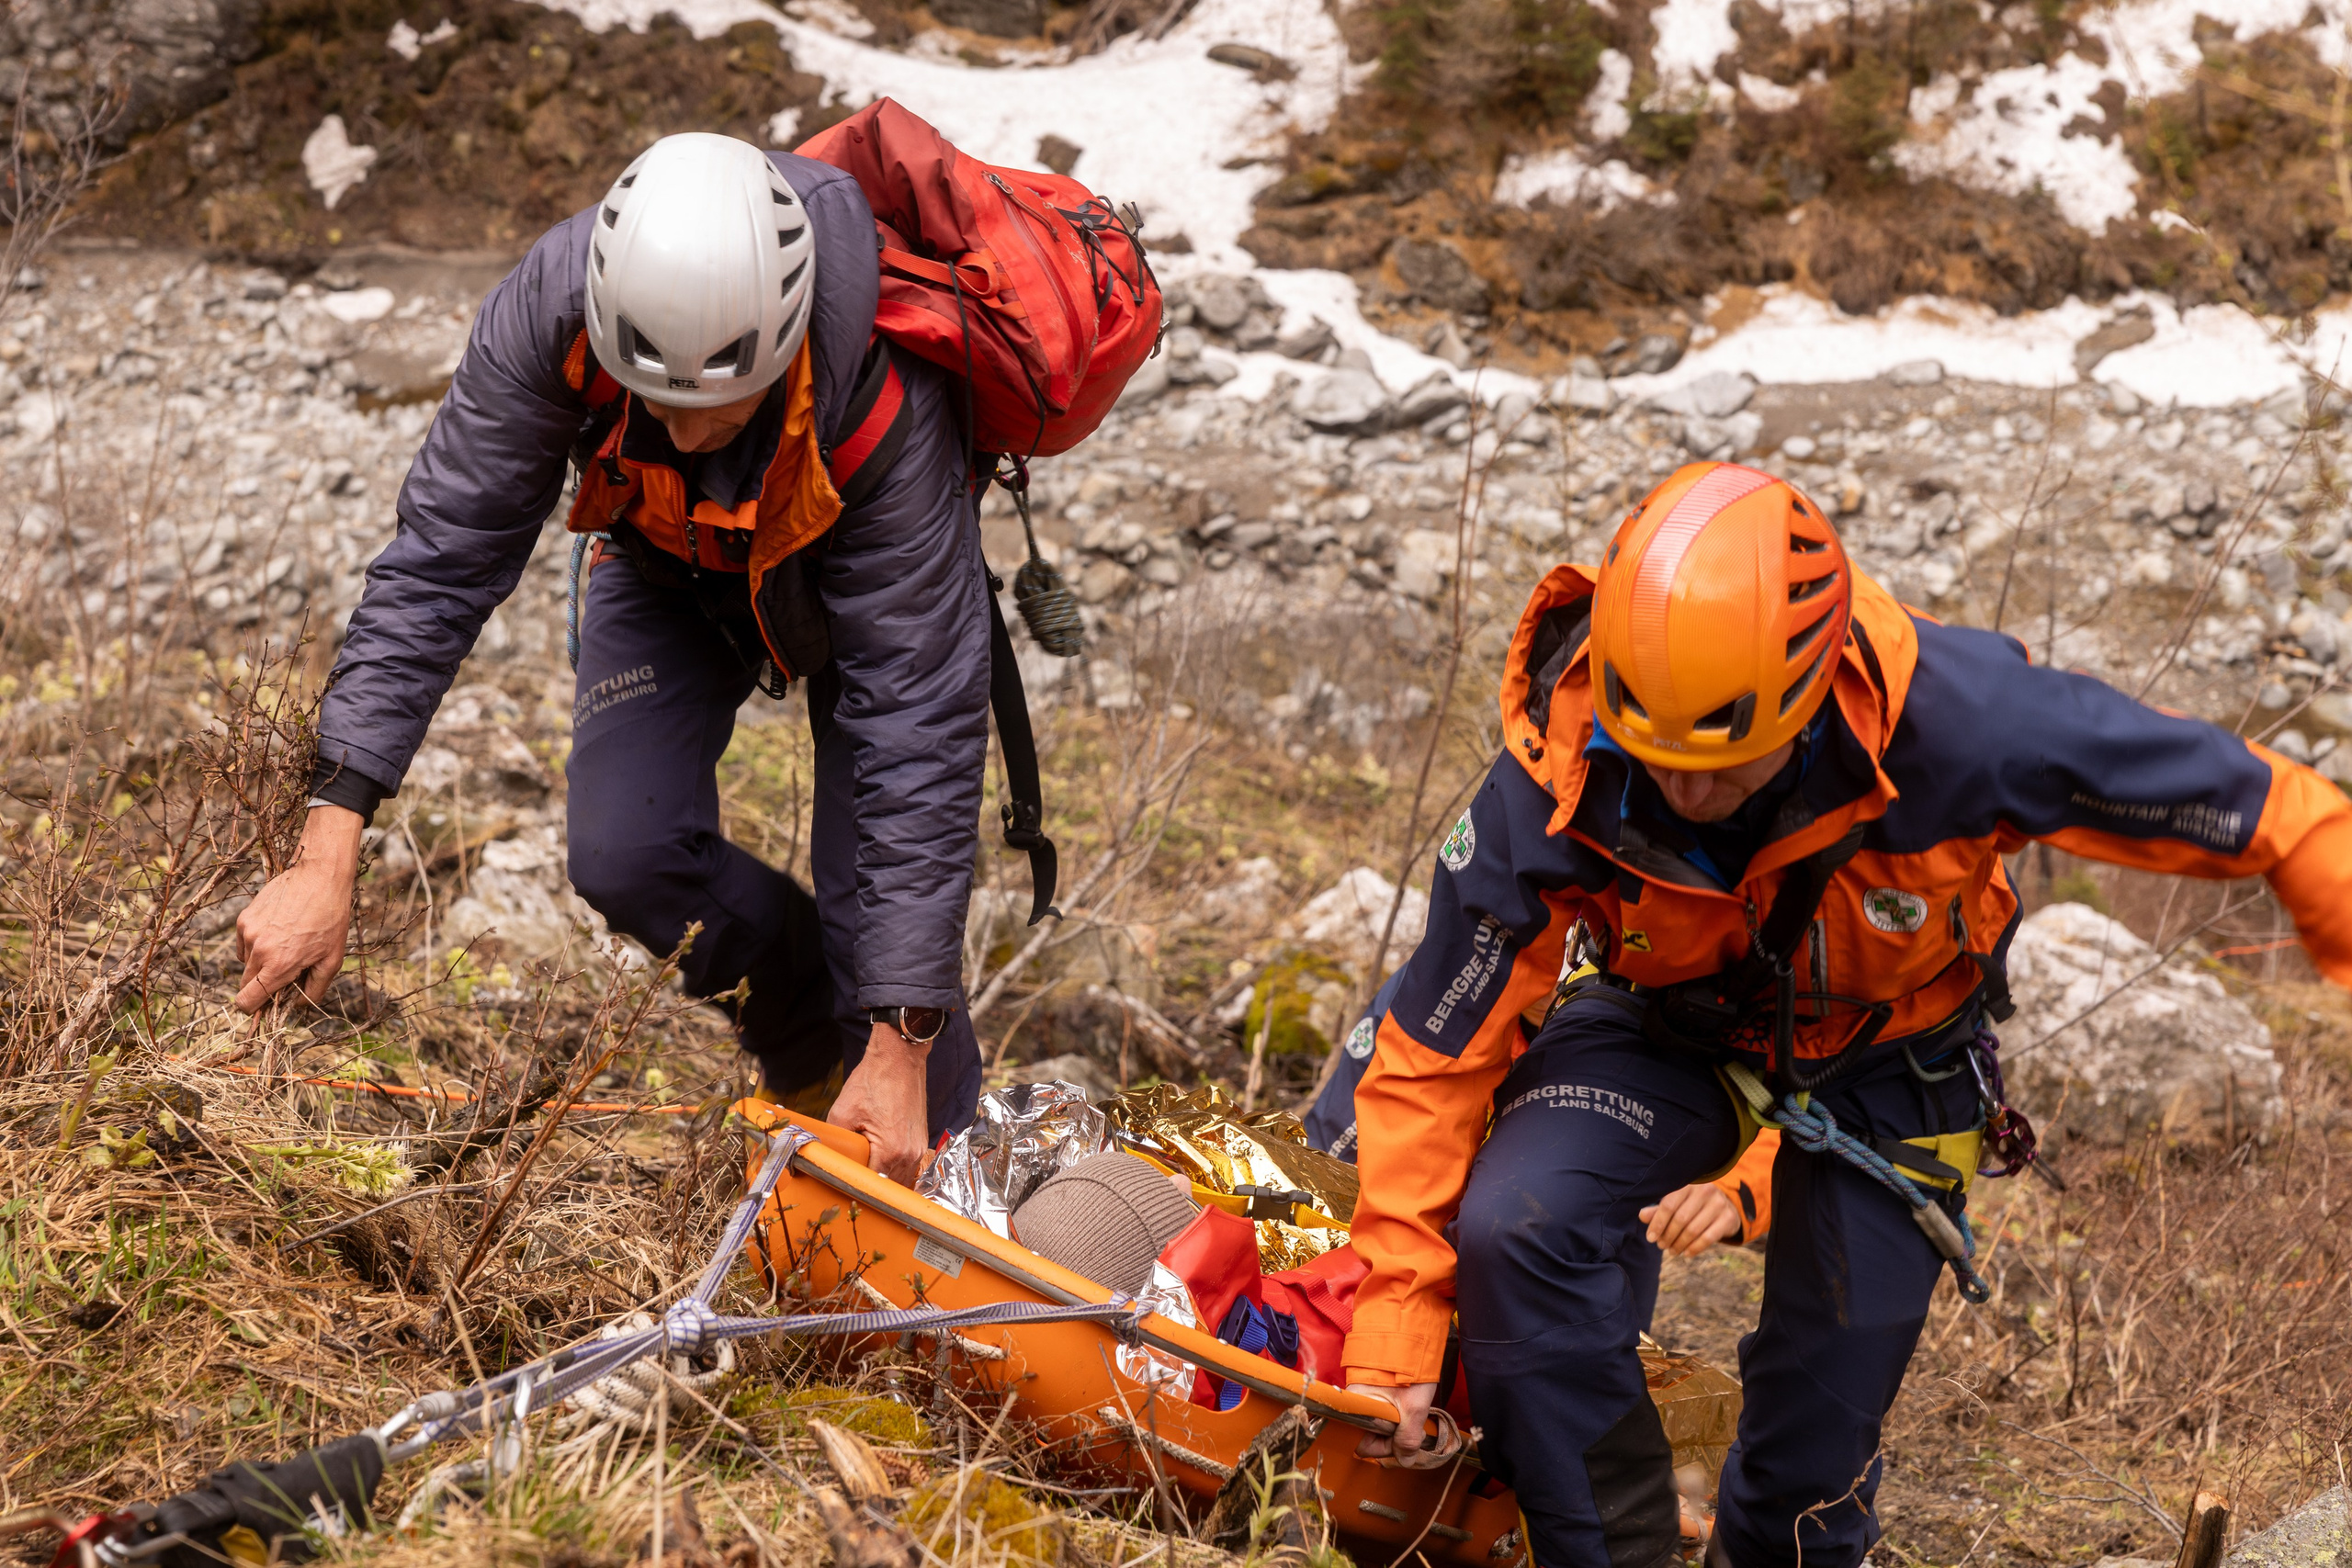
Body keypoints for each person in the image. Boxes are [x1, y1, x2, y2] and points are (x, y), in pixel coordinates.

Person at [1337, 459, 2352, 1568]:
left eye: (1719, 768)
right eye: (1659, 763)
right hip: (1661, 1028)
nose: (1685, 795)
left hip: (1896, 1062)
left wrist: (2327, 884)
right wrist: (1397, 1316)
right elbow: (1436, 1048)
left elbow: (2266, 810)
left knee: (1810, 1455)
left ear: (1811, 692)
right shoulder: (1558, 762)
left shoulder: (1962, 726)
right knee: (1517, 1228)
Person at [230, 132, 995, 1181]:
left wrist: (902, 1032)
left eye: (715, 407)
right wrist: (327, 854)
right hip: (662, 557)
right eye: (660, 405)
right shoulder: (549, 318)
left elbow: (917, 727)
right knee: (624, 853)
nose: (684, 437)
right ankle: (807, 1036)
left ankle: (939, 1161)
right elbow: (441, 562)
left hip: (841, 577)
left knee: (879, 930)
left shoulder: (882, 403)